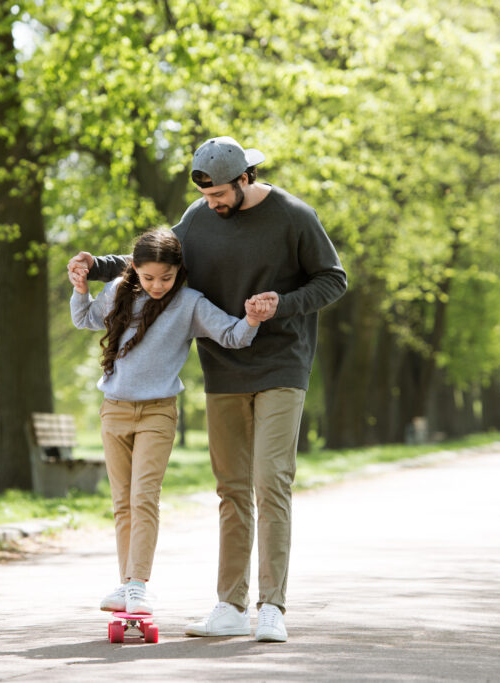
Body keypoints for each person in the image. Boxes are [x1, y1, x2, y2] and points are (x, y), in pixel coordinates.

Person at [68, 136, 347, 642]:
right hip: (223, 366)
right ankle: (230, 604)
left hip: (282, 363)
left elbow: (333, 280)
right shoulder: (200, 217)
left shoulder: (294, 216)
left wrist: (279, 305)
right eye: (207, 196)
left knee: (270, 481)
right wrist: (97, 268)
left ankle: (272, 607)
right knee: (232, 488)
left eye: (220, 194)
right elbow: (154, 254)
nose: (212, 204)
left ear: (245, 179)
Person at [70, 228, 275, 616]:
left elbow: (234, 337)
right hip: (113, 409)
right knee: (121, 503)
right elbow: (84, 319)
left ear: (178, 271)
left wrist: (251, 319)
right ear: (135, 269)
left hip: (157, 412)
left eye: (166, 277)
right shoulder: (118, 292)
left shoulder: (190, 303)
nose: (157, 285)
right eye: (148, 278)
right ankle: (128, 583)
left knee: (143, 497)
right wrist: (81, 287)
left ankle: (137, 584)